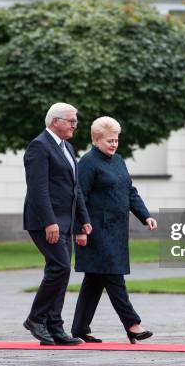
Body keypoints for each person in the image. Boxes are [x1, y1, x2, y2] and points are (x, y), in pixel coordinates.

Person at [71, 116, 157, 344]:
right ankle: (132, 324)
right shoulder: (88, 163)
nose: (114, 144)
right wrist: (79, 229)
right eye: (110, 140)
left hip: (117, 231)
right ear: (97, 140)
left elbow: (129, 191)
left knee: (95, 280)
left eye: (116, 140)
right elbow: (78, 196)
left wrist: (145, 215)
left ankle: (79, 328)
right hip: (95, 231)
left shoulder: (118, 161)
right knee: (113, 276)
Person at [22, 103, 92, 345]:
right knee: (59, 267)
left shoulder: (67, 147)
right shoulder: (39, 146)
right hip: (45, 221)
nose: (75, 124)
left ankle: (55, 328)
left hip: (66, 220)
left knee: (61, 272)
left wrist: (83, 220)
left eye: (75, 120)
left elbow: (75, 189)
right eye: (71, 120)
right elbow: (38, 189)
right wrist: (49, 222)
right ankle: (35, 318)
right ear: (55, 121)